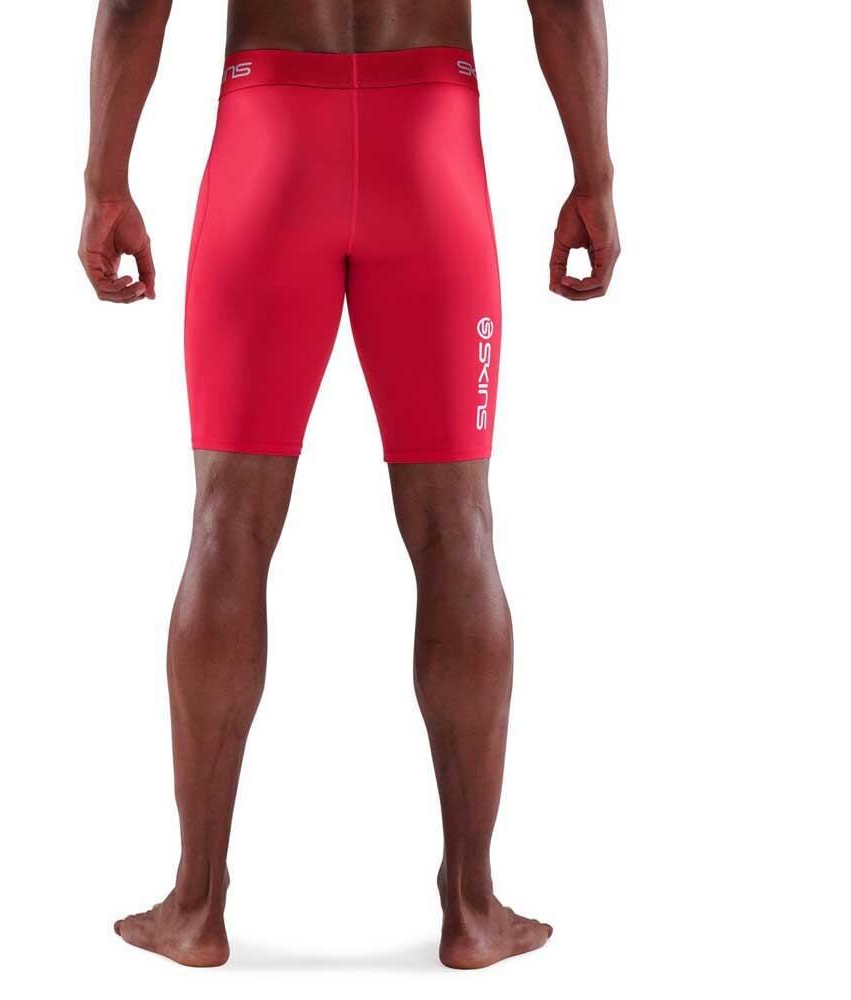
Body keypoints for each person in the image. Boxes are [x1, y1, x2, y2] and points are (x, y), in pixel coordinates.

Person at [79, 0, 618, 970]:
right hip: (431, 146)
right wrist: (595, 176)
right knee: (458, 528)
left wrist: (104, 182)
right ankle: (472, 908)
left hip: (269, 140)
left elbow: (130, 7)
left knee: (226, 525)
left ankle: (195, 906)